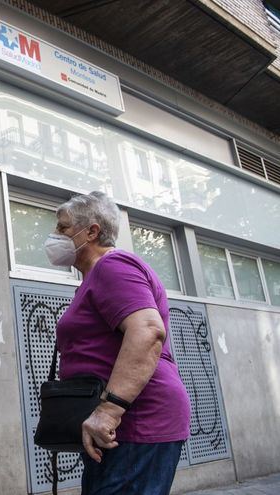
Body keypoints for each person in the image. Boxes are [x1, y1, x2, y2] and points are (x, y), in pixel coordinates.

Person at [44, 192, 190, 495]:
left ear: (92, 231)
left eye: (62, 228)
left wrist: (109, 411)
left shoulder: (113, 265)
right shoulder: (96, 276)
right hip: (119, 427)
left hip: (136, 423)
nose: (55, 235)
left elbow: (148, 330)